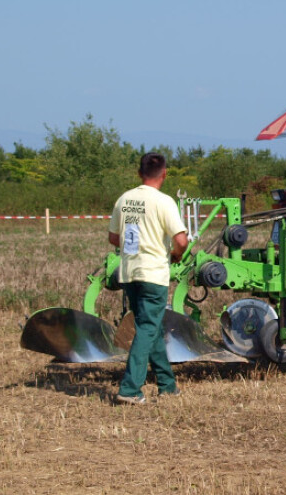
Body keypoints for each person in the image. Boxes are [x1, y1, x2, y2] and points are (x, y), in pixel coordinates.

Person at [109, 152, 188, 405]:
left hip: (130, 272)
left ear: (139, 173)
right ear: (164, 174)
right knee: (146, 329)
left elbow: (113, 238)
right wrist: (175, 256)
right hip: (153, 274)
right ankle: (130, 389)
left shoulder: (124, 199)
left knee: (149, 328)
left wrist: (136, 243)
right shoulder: (164, 202)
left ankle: (167, 385)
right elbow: (181, 241)